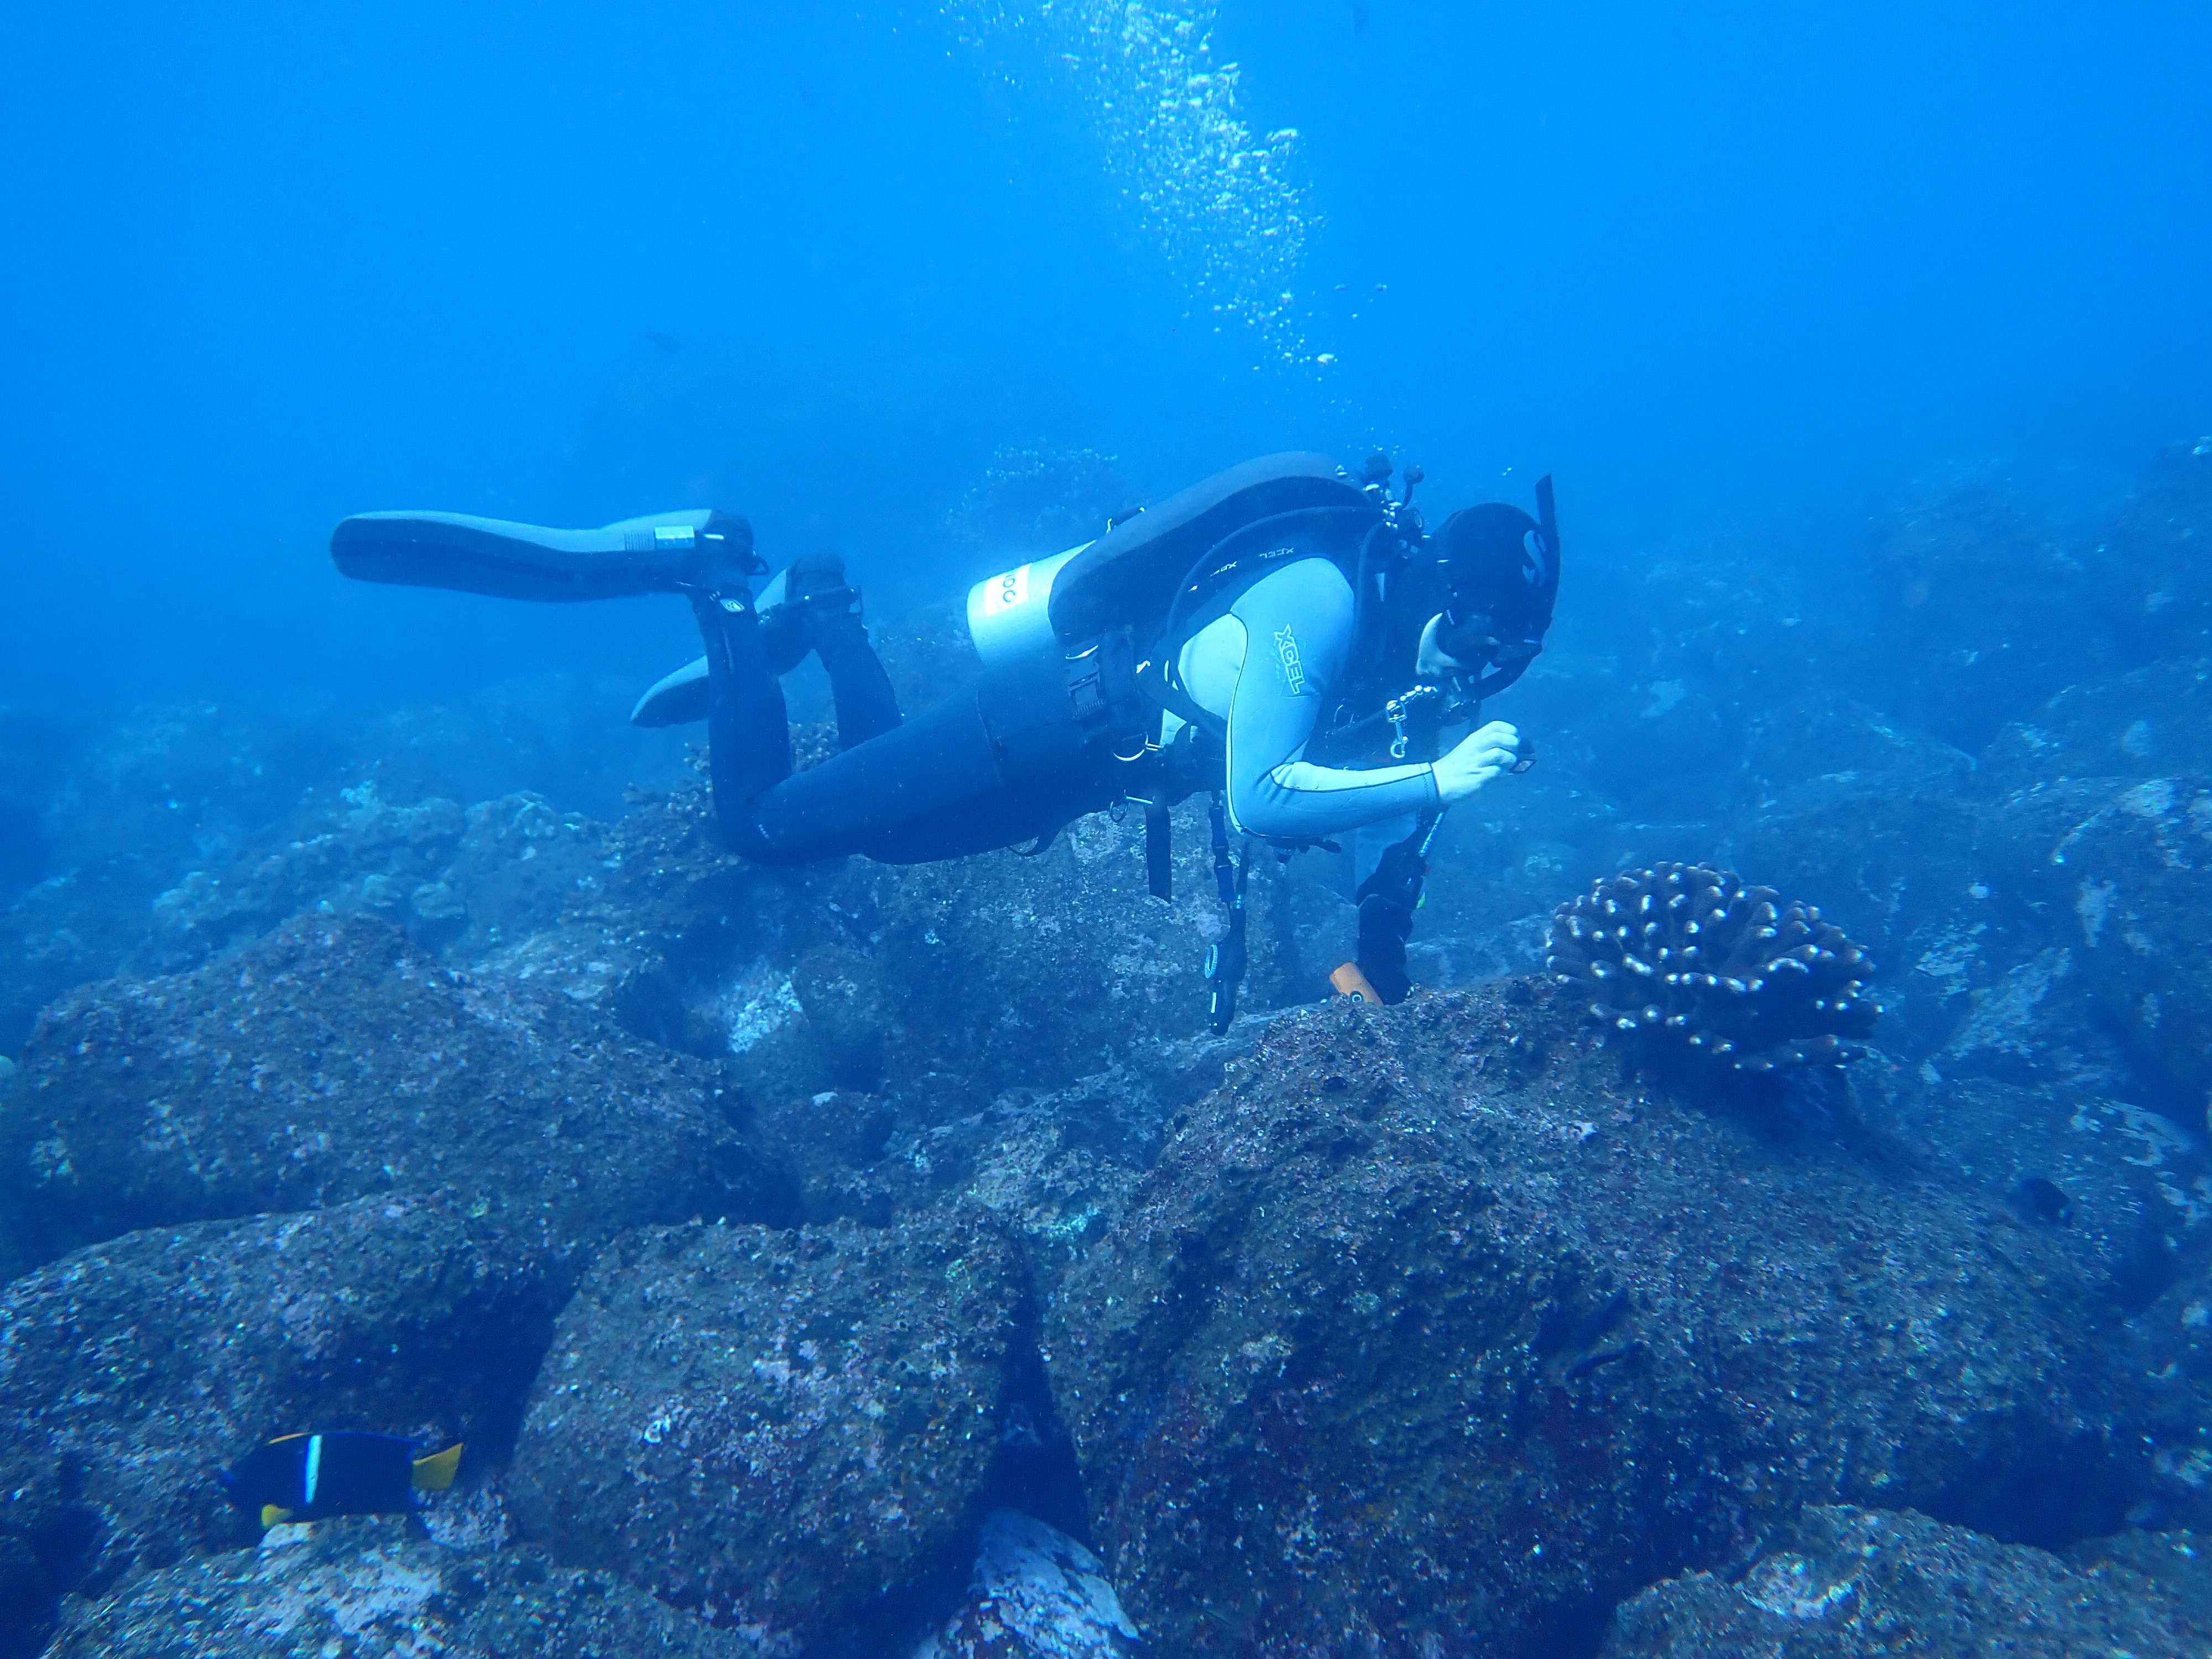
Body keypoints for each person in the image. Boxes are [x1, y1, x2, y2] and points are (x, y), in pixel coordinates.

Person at [330, 450, 1559, 1014]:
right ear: (1439, 597)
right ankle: (705, 568)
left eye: (1501, 673)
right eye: (1476, 652)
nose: (1472, 686)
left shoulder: (1390, 664)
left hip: (1069, 767)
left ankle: (818, 603)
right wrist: (1441, 779)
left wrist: (1376, 974)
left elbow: (1383, 818)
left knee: (881, 836)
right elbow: (1259, 802)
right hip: (1040, 728)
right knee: (764, 829)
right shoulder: (1320, 601)